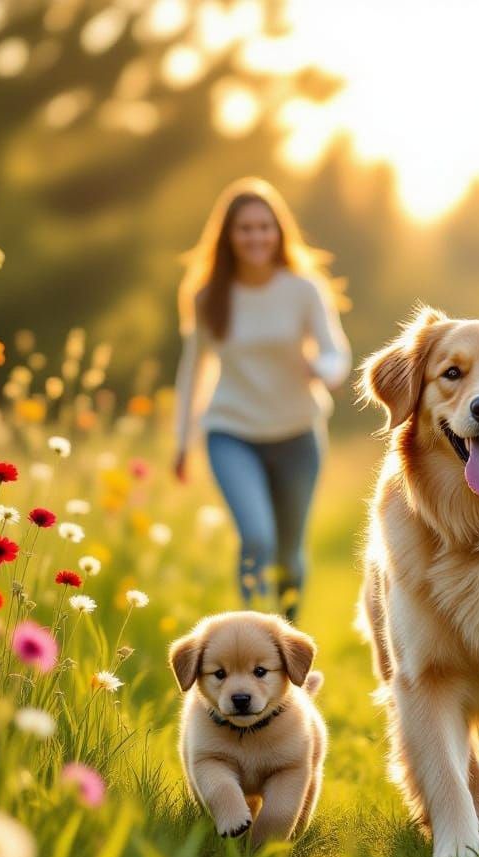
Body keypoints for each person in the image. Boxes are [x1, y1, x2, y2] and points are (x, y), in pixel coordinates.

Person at [174, 178, 352, 624]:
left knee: (289, 556)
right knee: (257, 538)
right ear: (229, 237)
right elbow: (192, 371)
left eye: (264, 227)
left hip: (297, 432)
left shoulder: (303, 289)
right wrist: (181, 442)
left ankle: (286, 643)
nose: (256, 237)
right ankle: (250, 637)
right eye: (245, 229)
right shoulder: (209, 296)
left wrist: (324, 371)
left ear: (279, 232)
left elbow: (336, 351)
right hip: (231, 432)